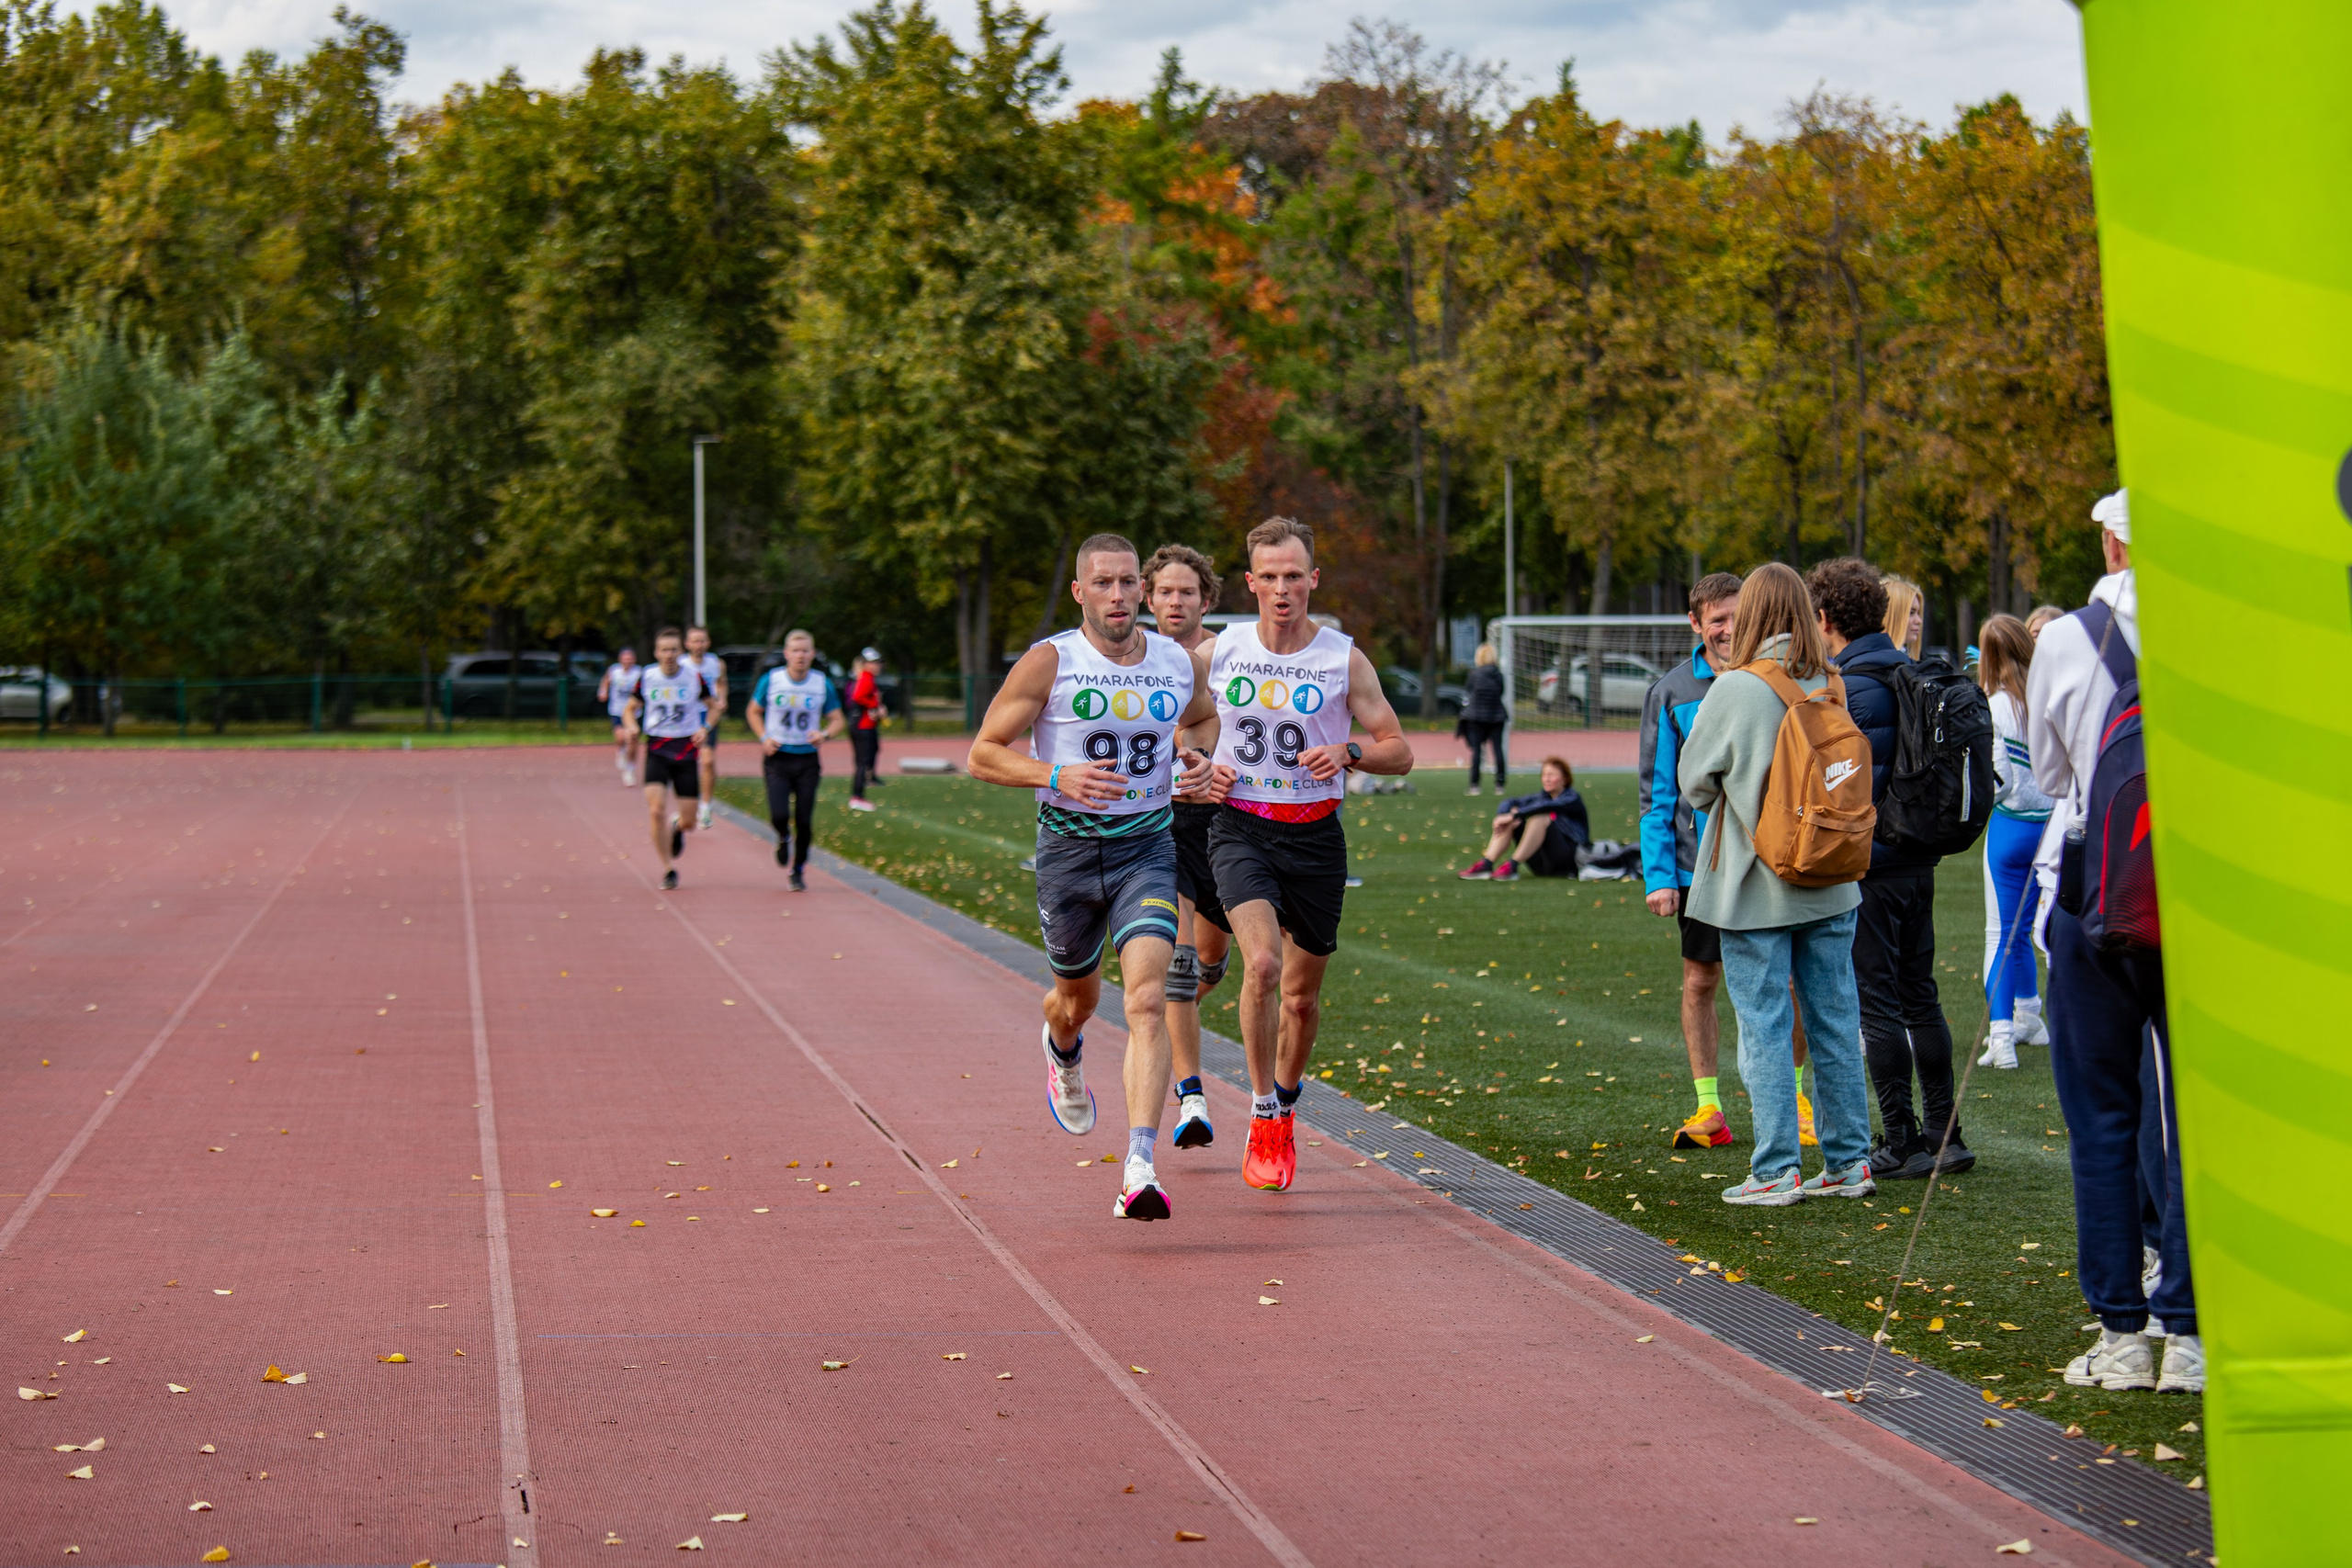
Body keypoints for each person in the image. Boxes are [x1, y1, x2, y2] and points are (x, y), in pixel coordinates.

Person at [967, 535, 1222, 1222]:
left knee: (1147, 1000)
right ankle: (1063, 1048)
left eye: (1127, 582)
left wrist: (1196, 758)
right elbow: (983, 753)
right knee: (1075, 1000)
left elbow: (1202, 718)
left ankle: (1139, 1166)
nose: (1117, 595)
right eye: (1102, 583)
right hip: (1069, 853)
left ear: (1141, 589)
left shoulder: (1175, 661)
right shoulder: (1051, 660)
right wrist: (1056, 774)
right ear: (1080, 592)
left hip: (1147, 847)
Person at [2027, 489, 2199, 1396]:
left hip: (2098, 894)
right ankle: (2192, 1334)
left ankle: (2121, 1335)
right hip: (2205, 901)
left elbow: (2053, 774)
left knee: (2100, 1121)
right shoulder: (2225, 633)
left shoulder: (2066, 638)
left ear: (2113, 545)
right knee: (2199, 1125)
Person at [1205, 516, 1412, 1193]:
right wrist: (1196, 762)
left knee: (1299, 997)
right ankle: (1263, 1110)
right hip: (1240, 828)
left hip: (1316, 837)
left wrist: (1349, 751)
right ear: (1250, 582)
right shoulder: (1220, 651)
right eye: (1269, 576)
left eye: (1293, 575)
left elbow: (1398, 750)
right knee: (1263, 964)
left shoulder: (1342, 659)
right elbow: (1170, 720)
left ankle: (1288, 1102)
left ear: (1313, 579)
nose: (1281, 588)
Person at [1677, 561, 1877, 1206]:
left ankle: (1776, 1168)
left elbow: (1693, 781)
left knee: (1763, 1024)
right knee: (1835, 1021)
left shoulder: (1736, 688)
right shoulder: (1830, 679)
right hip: (1831, 873)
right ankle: (1849, 1161)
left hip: (1753, 883)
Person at [1807, 557, 1972, 1180]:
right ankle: (1945, 1133)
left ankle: (1900, 1140)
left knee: (1877, 1004)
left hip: (1871, 865)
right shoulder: (1910, 671)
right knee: (1920, 995)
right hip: (1918, 858)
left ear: (1826, 618)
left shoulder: (1849, 686)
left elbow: (1841, 782)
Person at [1639, 573, 1814, 1150]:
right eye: (1717, 619)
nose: (1730, 628)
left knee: (1789, 979)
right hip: (1700, 869)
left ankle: (1795, 1100)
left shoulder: (1775, 677)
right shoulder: (1671, 692)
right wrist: (1660, 876)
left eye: (1739, 615)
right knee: (1700, 980)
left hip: (1772, 862)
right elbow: (1658, 794)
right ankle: (1709, 1107)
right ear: (1696, 624)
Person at [1143, 543, 1227, 1152]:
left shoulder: (1231, 656)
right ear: (1149, 599)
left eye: (1187, 592)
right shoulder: (1132, 663)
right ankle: (1191, 1095)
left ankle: (1156, 1024)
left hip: (1226, 827)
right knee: (1179, 965)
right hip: (1162, 824)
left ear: (1206, 599)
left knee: (1212, 966)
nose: (1176, 602)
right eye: (1165, 592)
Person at [1973, 614, 2052, 1068]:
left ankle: (2001, 1037)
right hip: (2048, 828)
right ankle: (2031, 1016)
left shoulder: (1996, 704)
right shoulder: (2046, 694)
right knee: (2024, 930)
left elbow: (1999, 779)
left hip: (2010, 829)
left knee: (1998, 934)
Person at [745, 631, 844, 893]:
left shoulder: (821, 683)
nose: (800, 656)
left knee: (804, 820)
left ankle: (798, 869)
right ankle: (782, 836)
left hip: (807, 760)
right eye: (796, 651)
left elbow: (837, 719)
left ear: (813, 654)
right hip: (777, 757)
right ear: (787, 654)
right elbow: (753, 711)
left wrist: (824, 734)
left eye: (805, 651)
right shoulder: (772, 680)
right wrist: (764, 737)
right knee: (779, 815)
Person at [625, 627, 713, 892]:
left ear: (680, 651)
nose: (669, 655)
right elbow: (630, 708)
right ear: (656, 653)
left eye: (674, 649)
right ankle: (668, 868)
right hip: (657, 749)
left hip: (686, 751)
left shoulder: (693, 677)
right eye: (664, 650)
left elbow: (715, 707)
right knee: (655, 811)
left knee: (690, 822)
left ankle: (678, 827)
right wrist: (631, 726)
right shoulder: (647, 677)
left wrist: (705, 728)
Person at [1455, 757, 1588, 881]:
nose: (1546, 779)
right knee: (1514, 818)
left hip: (1566, 864)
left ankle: (1512, 866)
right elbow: (1510, 801)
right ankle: (1487, 863)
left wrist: (1513, 815)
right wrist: (1502, 815)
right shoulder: (1542, 797)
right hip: (1541, 864)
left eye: (1551, 775)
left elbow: (1545, 807)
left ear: (1565, 779)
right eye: (1544, 775)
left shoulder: (1572, 799)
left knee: (1539, 817)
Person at [683, 626, 728, 832]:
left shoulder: (716, 663)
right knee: (686, 764)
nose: (698, 645)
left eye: (702, 641)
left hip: (707, 716)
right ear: (687, 644)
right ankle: (687, 805)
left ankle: (706, 808)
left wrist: (722, 699)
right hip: (686, 719)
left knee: (707, 761)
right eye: (695, 641)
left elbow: (721, 684)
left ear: (708, 643)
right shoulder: (681, 664)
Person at [1457, 643, 1508, 795]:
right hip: (1496, 715)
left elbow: (1469, 693)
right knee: (1498, 749)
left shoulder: (1474, 675)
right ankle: (1500, 784)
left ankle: (1474, 785)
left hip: (1476, 717)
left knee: (1477, 751)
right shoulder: (1498, 675)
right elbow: (1501, 692)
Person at [846, 649, 887, 811]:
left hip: (865, 725)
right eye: (874, 663)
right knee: (862, 761)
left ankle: (862, 789)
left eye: (878, 663)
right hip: (862, 726)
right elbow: (858, 697)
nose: (878, 666)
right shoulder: (866, 678)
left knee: (866, 758)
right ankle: (857, 796)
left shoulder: (869, 678)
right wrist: (875, 705)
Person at [599, 647, 641, 786]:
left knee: (633, 739)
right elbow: (606, 680)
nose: (627, 661)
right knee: (620, 736)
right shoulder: (614, 670)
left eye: (630, 658)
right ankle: (620, 750)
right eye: (625, 658)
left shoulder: (639, 672)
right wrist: (603, 691)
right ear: (620, 659)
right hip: (617, 709)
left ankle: (630, 769)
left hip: (633, 712)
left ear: (634, 659)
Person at [1882, 575, 1926, 658]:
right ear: (1891, 615)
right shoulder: (1875, 661)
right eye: (1911, 613)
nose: (1919, 621)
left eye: (1918, 613)